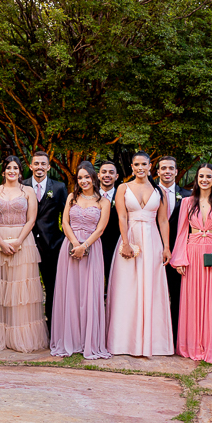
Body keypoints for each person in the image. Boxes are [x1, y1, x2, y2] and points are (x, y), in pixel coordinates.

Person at [106, 151, 174, 357]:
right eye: (136, 164)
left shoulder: (159, 191)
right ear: (132, 167)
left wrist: (166, 247)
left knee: (152, 289)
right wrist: (126, 243)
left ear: (150, 165)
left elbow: (163, 221)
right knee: (127, 288)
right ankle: (124, 342)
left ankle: (154, 343)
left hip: (153, 242)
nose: (140, 167)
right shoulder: (123, 188)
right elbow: (121, 217)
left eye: (144, 164)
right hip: (131, 239)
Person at [170, 164, 212, 364]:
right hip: (193, 254)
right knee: (192, 302)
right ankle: (191, 346)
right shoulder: (187, 203)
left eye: (208, 176)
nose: (204, 179)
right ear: (197, 179)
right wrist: (179, 258)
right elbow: (181, 232)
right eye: (201, 176)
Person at [0, 155, 48, 352]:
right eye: (8, 167)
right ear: (3, 171)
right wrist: (1, 241)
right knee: (0, 288)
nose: (12, 171)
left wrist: (18, 241)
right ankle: (0, 335)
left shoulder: (27, 191)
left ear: (20, 171)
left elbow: (31, 219)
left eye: (15, 168)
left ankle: (20, 336)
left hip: (23, 241)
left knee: (20, 288)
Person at [51, 161, 112, 359]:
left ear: (94, 178)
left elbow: (101, 229)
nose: (83, 181)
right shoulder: (72, 197)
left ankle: (88, 341)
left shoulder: (103, 202)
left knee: (89, 293)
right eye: (80, 178)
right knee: (70, 292)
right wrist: (75, 244)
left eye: (87, 177)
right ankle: (69, 339)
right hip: (69, 247)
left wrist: (84, 246)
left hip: (92, 249)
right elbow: (65, 223)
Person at [22, 150, 68, 329]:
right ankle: (28, 327)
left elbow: (66, 216)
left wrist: (62, 240)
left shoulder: (59, 187)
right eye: (36, 163)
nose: (39, 167)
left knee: (52, 288)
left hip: (51, 246)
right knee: (26, 287)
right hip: (26, 245)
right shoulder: (22, 185)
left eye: (43, 164)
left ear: (48, 167)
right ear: (30, 166)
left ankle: (52, 327)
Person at [155, 155, 189, 348]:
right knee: (153, 295)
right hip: (153, 250)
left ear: (176, 172)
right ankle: (156, 336)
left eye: (171, 168)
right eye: (163, 168)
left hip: (178, 252)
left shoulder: (188, 195)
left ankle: (175, 338)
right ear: (158, 171)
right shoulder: (150, 193)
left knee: (177, 296)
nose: (167, 171)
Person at [97, 161, 121, 291]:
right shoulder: (91, 196)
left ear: (116, 176)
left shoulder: (123, 196)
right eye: (104, 172)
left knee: (114, 286)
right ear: (98, 175)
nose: (107, 175)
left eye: (111, 172)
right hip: (93, 244)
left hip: (115, 245)